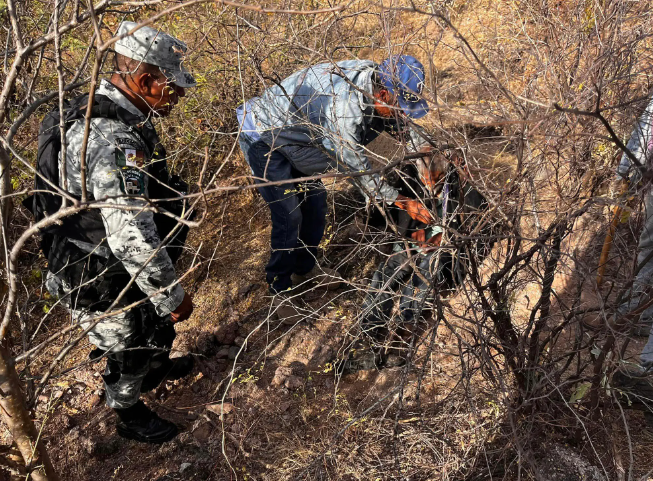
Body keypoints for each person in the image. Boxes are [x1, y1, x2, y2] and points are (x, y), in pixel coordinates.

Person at [28, 21, 197, 443]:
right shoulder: (112, 136)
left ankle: (155, 366)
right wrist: (172, 296)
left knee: (150, 330)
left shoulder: (109, 108)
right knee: (128, 347)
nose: (178, 95)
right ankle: (128, 410)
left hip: (109, 262)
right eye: (172, 86)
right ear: (144, 80)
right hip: (98, 271)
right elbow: (129, 236)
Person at [236, 55, 434, 322]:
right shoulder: (344, 111)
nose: (401, 114)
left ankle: (305, 270)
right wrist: (401, 201)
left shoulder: (377, 84)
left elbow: (402, 126)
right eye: (399, 106)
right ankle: (278, 291)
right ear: (384, 94)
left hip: (299, 139)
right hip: (264, 135)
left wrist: (426, 157)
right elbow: (359, 171)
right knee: (289, 214)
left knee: (316, 203)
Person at [343, 151, 492, 372]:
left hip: (442, 249)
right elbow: (393, 211)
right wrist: (411, 236)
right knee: (383, 277)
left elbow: (475, 227)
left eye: (437, 180)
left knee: (424, 277)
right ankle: (367, 341)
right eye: (426, 181)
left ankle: (400, 341)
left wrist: (443, 238)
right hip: (409, 243)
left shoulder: (460, 185)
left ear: (445, 173)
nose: (432, 187)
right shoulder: (408, 177)